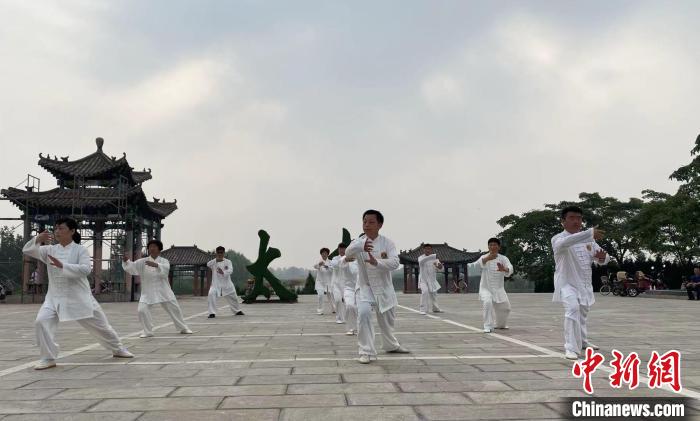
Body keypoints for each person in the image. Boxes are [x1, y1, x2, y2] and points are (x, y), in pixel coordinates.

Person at [23, 217, 133, 369]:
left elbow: (85, 269)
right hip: (54, 297)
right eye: (56, 228)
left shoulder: (80, 250)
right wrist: (37, 238)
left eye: (61, 228)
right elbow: (27, 250)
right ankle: (48, 358)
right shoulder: (49, 250)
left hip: (79, 296)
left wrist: (64, 266)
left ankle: (118, 348)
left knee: (101, 325)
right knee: (41, 321)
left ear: (72, 231)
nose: (57, 231)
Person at [345, 209, 409, 364]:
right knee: (364, 314)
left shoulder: (388, 243)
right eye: (364, 221)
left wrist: (377, 262)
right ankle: (366, 351)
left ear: (380, 224)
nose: (367, 225)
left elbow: (395, 263)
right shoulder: (358, 242)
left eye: (371, 222)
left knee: (387, 320)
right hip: (365, 287)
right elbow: (347, 254)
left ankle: (391, 345)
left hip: (384, 287)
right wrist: (360, 246)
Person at [552, 206, 609, 360]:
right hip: (566, 283)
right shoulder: (558, 239)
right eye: (572, 218)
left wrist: (602, 258)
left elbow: (601, 257)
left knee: (583, 312)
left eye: (579, 218)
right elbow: (567, 242)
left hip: (584, 283)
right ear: (563, 221)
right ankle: (570, 347)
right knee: (572, 309)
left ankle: (583, 341)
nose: (576, 221)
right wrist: (589, 233)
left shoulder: (589, 240)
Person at [123, 239, 193, 337]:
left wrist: (156, 265)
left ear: (159, 249)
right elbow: (132, 268)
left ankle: (183, 328)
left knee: (174, 309)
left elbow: (165, 271)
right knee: (142, 310)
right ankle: (147, 331)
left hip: (164, 290)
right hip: (148, 291)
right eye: (150, 247)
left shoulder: (164, 261)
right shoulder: (142, 261)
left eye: (154, 246)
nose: (152, 248)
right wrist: (126, 262)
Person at [478, 238, 513, 333]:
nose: (492, 247)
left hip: (499, 288)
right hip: (486, 288)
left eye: (495, 245)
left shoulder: (503, 258)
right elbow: (480, 264)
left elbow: (510, 268)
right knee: (487, 303)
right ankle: (488, 326)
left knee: (506, 308)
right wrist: (488, 258)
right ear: (488, 247)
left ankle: (500, 324)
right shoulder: (484, 257)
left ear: (499, 247)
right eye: (490, 245)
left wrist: (504, 269)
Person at [206, 246, 245, 318]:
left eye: (221, 253)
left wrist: (223, 272)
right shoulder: (213, 262)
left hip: (227, 284)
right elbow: (208, 264)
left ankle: (237, 311)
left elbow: (230, 270)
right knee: (211, 294)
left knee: (234, 297)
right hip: (215, 284)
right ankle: (212, 313)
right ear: (216, 253)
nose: (220, 254)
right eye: (218, 253)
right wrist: (216, 260)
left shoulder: (228, 261)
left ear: (224, 253)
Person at [417, 244, 443, 315]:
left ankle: (436, 308)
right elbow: (421, 262)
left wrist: (440, 266)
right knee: (425, 292)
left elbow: (440, 268)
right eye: (426, 249)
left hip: (432, 280)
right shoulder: (421, 258)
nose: (428, 250)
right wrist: (432, 256)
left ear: (431, 250)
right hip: (423, 280)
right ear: (424, 250)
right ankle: (423, 309)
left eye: (429, 249)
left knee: (434, 294)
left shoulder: (435, 259)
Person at [329, 243, 349, 324]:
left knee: (346, 302)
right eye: (340, 249)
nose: (342, 250)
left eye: (343, 249)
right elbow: (335, 265)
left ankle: (346, 317)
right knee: (338, 300)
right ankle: (339, 318)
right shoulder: (335, 258)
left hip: (346, 284)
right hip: (336, 284)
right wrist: (344, 260)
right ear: (338, 249)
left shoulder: (350, 258)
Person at [313, 248, 334, 315]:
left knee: (331, 297)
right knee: (320, 295)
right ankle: (320, 310)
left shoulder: (330, 262)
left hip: (328, 282)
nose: (324, 254)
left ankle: (334, 308)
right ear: (321, 254)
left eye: (325, 253)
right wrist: (319, 264)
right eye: (323, 253)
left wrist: (326, 266)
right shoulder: (318, 261)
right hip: (320, 282)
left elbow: (333, 270)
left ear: (328, 254)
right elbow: (315, 266)